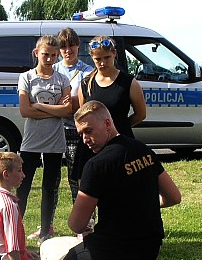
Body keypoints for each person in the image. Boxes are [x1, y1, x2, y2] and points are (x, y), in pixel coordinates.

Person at [50, 101, 182, 260]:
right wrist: (143, 202)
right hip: (150, 248)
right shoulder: (143, 150)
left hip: (113, 250)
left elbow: (76, 225)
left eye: (89, 131)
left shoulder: (96, 165)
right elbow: (174, 197)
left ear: (108, 123)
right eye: (81, 133)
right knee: (107, 259)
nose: (85, 140)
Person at [71, 36, 147, 210]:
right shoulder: (86, 83)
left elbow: (140, 114)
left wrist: (120, 126)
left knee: (122, 187)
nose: (103, 62)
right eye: (98, 59)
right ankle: (88, 227)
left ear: (114, 54)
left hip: (120, 143)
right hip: (92, 146)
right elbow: (84, 116)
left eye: (107, 58)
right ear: (92, 58)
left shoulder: (128, 82)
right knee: (91, 187)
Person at [17, 35, 71, 241]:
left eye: (53, 55)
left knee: (50, 187)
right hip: (31, 140)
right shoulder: (27, 78)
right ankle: (17, 229)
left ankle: (46, 230)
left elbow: (67, 110)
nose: (49, 59)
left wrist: (38, 105)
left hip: (55, 140)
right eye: (45, 54)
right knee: (24, 184)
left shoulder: (62, 79)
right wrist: (54, 110)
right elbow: (24, 110)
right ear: (36, 53)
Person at [55, 27, 94, 202]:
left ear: (78, 46)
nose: (68, 51)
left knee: (77, 177)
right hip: (54, 128)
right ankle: (47, 224)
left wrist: (62, 103)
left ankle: (85, 223)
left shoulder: (87, 71)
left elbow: (86, 102)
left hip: (75, 130)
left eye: (71, 46)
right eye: (63, 47)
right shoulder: (53, 69)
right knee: (52, 179)